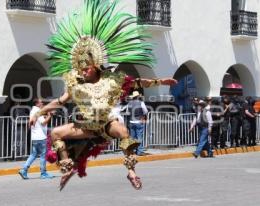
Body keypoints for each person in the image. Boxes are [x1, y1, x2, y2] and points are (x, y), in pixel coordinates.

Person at [29, 0, 177, 191]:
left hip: (106, 124)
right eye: (80, 68)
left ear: (96, 65)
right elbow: (59, 102)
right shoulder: (76, 84)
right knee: (56, 133)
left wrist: (160, 82)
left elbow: (138, 83)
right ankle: (67, 168)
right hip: (86, 126)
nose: (83, 71)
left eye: (87, 68)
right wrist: (37, 114)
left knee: (123, 131)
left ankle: (131, 171)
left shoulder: (111, 79)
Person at [18, 98, 54, 179]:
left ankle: (24, 170)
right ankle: (43, 173)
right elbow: (43, 123)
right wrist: (49, 116)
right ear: (37, 104)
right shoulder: (38, 112)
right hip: (41, 137)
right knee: (43, 156)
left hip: (35, 137)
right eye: (42, 102)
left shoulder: (32, 111)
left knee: (33, 155)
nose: (43, 104)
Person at [127, 91, 149, 156]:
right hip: (139, 121)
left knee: (132, 137)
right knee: (139, 136)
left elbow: (128, 112)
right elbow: (145, 111)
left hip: (131, 121)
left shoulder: (129, 103)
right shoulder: (141, 103)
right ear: (138, 96)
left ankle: (132, 151)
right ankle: (139, 151)